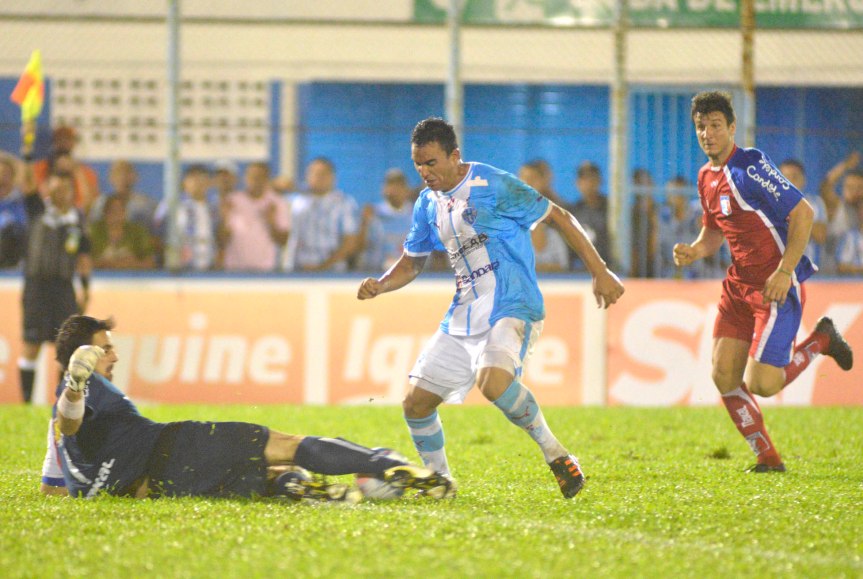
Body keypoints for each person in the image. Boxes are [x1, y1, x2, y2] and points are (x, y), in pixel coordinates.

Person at [357, 117, 625, 498]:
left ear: (455, 156)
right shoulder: (427, 203)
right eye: (418, 164)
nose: (424, 172)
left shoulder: (491, 183)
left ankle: (556, 454)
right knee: (415, 404)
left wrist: (600, 272)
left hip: (512, 302)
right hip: (465, 312)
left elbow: (560, 218)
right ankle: (439, 483)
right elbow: (414, 260)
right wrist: (382, 285)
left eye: (431, 162)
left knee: (493, 382)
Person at [45, 314, 452, 501]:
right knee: (286, 444)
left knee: (263, 478)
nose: (113, 356)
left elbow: (52, 483)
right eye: (105, 348)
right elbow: (73, 421)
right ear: (82, 358)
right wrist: (78, 385)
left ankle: (305, 488)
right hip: (173, 448)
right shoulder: (82, 387)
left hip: (157, 489)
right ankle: (392, 467)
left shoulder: (59, 419)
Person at [673, 91, 854, 472]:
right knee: (723, 375)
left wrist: (785, 271)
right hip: (738, 286)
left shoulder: (750, 165)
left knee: (764, 384)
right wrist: (693, 251)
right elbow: (712, 233)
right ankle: (767, 457)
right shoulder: (706, 176)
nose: (707, 133)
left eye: (715, 126)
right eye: (701, 127)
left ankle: (821, 339)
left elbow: (803, 213)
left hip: (774, 287)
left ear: (732, 128)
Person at [18, 160, 92, 404]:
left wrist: (85, 287)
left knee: (67, 346)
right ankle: (26, 401)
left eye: (65, 189)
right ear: (47, 187)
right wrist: (27, 155)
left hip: (64, 287)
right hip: (37, 286)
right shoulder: (38, 210)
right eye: (56, 188)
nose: (60, 193)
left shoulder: (76, 221)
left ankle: (62, 401)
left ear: (72, 191)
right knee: (32, 342)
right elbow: (26, 181)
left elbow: (83, 256)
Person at [282, 157, 360, 272]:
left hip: (332, 273)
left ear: (332, 177)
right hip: (297, 271)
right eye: (314, 173)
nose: (319, 178)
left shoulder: (344, 203)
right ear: (307, 176)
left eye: (323, 174)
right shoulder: (296, 201)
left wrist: (322, 268)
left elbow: (350, 242)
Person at [220, 162, 290, 271]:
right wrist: (225, 219)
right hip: (234, 270)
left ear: (267, 179)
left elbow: (283, 241)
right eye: (252, 177)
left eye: (260, 177)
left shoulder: (277, 203)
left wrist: (271, 222)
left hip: (265, 271)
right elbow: (221, 242)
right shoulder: (232, 201)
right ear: (245, 178)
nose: (255, 181)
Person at [154, 164, 219, 271]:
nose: (198, 182)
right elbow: (157, 234)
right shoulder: (171, 204)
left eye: (203, 178)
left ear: (209, 183)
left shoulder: (213, 209)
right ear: (184, 182)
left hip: (209, 271)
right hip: (181, 272)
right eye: (193, 178)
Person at [32, 126, 100, 215]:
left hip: (76, 217)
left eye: (67, 139)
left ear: (73, 143)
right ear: (54, 143)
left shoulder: (86, 172)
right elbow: (37, 197)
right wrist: (53, 170)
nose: (63, 143)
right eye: (59, 139)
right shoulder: (40, 168)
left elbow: (90, 203)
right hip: (47, 216)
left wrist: (76, 171)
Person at [357, 168, 415, 271]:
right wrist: (364, 224)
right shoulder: (372, 214)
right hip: (377, 273)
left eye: (399, 185)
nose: (394, 189)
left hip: (414, 275)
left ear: (406, 189)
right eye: (391, 184)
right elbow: (359, 248)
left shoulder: (418, 214)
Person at [519, 161, 569, 273]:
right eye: (523, 178)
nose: (527, 183)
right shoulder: (507, 216)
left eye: (532, 178)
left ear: (543, 181)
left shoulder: (560, 211)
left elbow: (564, 266)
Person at [778, 159, 827, 272]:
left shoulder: (815, 203)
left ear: (803, 180)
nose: (788, 181)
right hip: (776, 271)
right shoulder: (769, 203)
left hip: (809, 272)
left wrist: (794, 213)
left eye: (794, 177)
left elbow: (820, 235)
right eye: (784, 177)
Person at [819, 151, 863, 275]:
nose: (854, 192)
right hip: (832, 275)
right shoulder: (837, 207)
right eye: (849, 187)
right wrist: (845, 166)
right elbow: (825, 187)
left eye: (859, 188)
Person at [88, 160, 159, 235]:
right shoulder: (100, 204)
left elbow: (154, 234)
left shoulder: (146, 206)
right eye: (118, 173)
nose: (123, 178)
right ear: (111, 177)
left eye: (127, 173)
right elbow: (93, 230)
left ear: (135, 177)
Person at [89, 195, 156, 270]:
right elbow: (81, 261)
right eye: (112, 211)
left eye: (120, 210)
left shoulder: (138, 232)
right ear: (104, 213)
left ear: (125, 212)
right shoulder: (93, 231)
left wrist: (131, 263)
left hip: (131, 279)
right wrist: (104, 263)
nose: (116, 215)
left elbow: (150, 263)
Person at [571, 161, 612, 271]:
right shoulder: (574, 211)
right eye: (585, 179)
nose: (589, 184)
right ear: (578, 183)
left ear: (600, 181)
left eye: (593, 179)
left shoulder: (612, 209)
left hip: (611, 267)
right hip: (582, 270)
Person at [0, 153, 28, 268]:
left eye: (5, 174)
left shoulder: (22, 202)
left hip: (14, 261)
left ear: (13, 177)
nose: (1, 178)